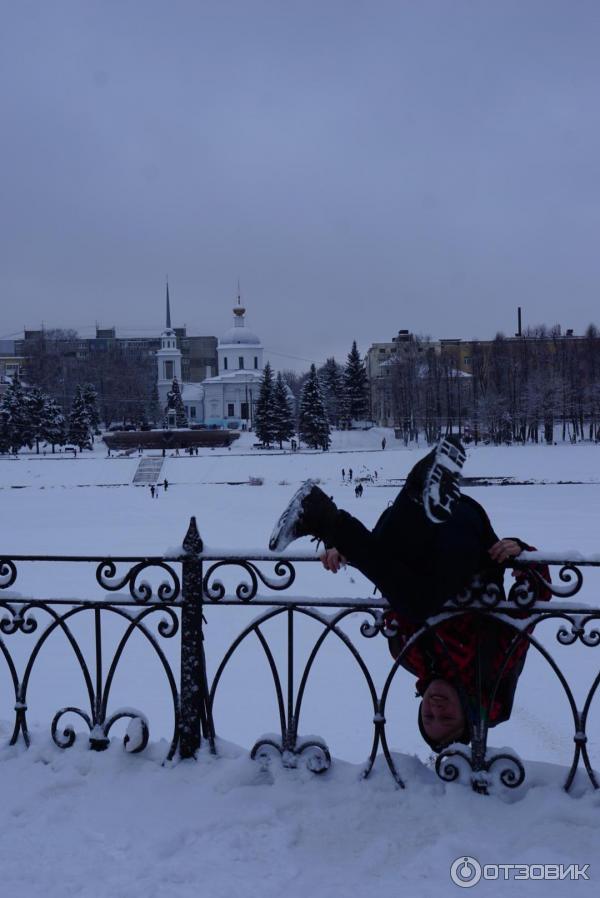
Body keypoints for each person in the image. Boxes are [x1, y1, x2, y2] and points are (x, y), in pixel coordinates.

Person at [269, 436, 550, 751]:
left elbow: (392, 580)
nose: (436, 710)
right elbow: (534, 599)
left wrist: (343, 550)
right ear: (469, 713)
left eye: (428, 718)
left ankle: (420, 485)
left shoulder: (411, 655)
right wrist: (520, 552)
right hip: (462, 531)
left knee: (401, 572)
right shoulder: (493, 667)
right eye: (446, 720)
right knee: (418, 603)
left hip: (416, 525)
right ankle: (322, 515)